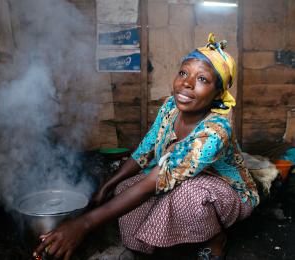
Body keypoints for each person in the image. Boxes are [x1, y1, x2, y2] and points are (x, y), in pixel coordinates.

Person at [34, 33, 260, 260]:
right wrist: (108, 185)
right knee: (124, 191)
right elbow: (146, 149)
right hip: (176, 180)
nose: (187, 83)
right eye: (183, 73)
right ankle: (174, 239)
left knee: (185, 195)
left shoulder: (215, 131)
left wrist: (83, 224)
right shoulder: (171, 106)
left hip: (228, 194)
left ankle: (214, 239)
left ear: (218, 93)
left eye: (202, 79)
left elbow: (157, 178)